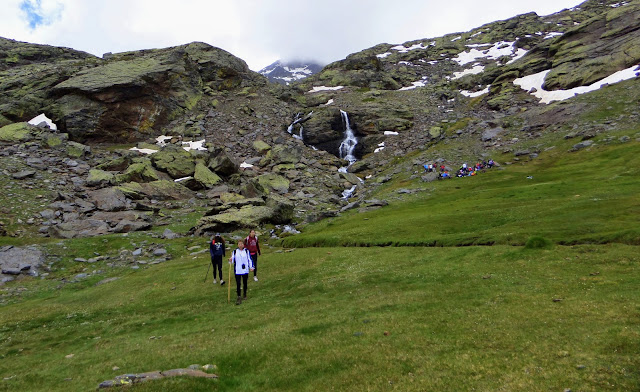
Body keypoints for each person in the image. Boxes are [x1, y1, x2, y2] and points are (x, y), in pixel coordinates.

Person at [229, 240, 254, 305]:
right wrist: (230, 260)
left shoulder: (246, 251)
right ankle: (239, 296)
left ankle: (244, 294)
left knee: (245, 282)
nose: (240, 245)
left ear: (243, 244)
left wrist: (251, 267)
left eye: (241, 244)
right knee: (238, 283)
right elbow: (232, 260)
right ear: (238, 245)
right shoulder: (235, 252)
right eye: (239, 244)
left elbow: (249, 259)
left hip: (245, 269)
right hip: (238, 270)